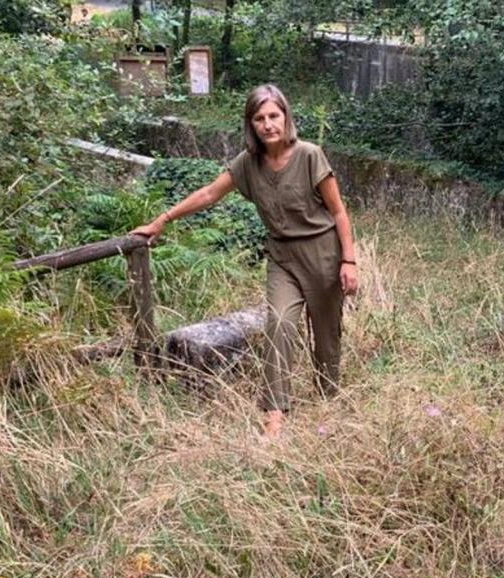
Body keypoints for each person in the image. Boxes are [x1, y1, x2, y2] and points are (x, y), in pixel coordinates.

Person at [132, 84, 358, 438]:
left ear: (286, 117)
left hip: (323, 254)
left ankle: (328, 399)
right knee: (279, 324)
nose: (268, 124)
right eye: (259, 118)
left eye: (274, 116)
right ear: (250, 124)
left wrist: (349, 261)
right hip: (282, 258)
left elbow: (339, 212)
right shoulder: (247, 164)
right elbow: (209, 193)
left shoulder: (310, 155)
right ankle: (275, 417)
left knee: (327, 338)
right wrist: (162, 220)